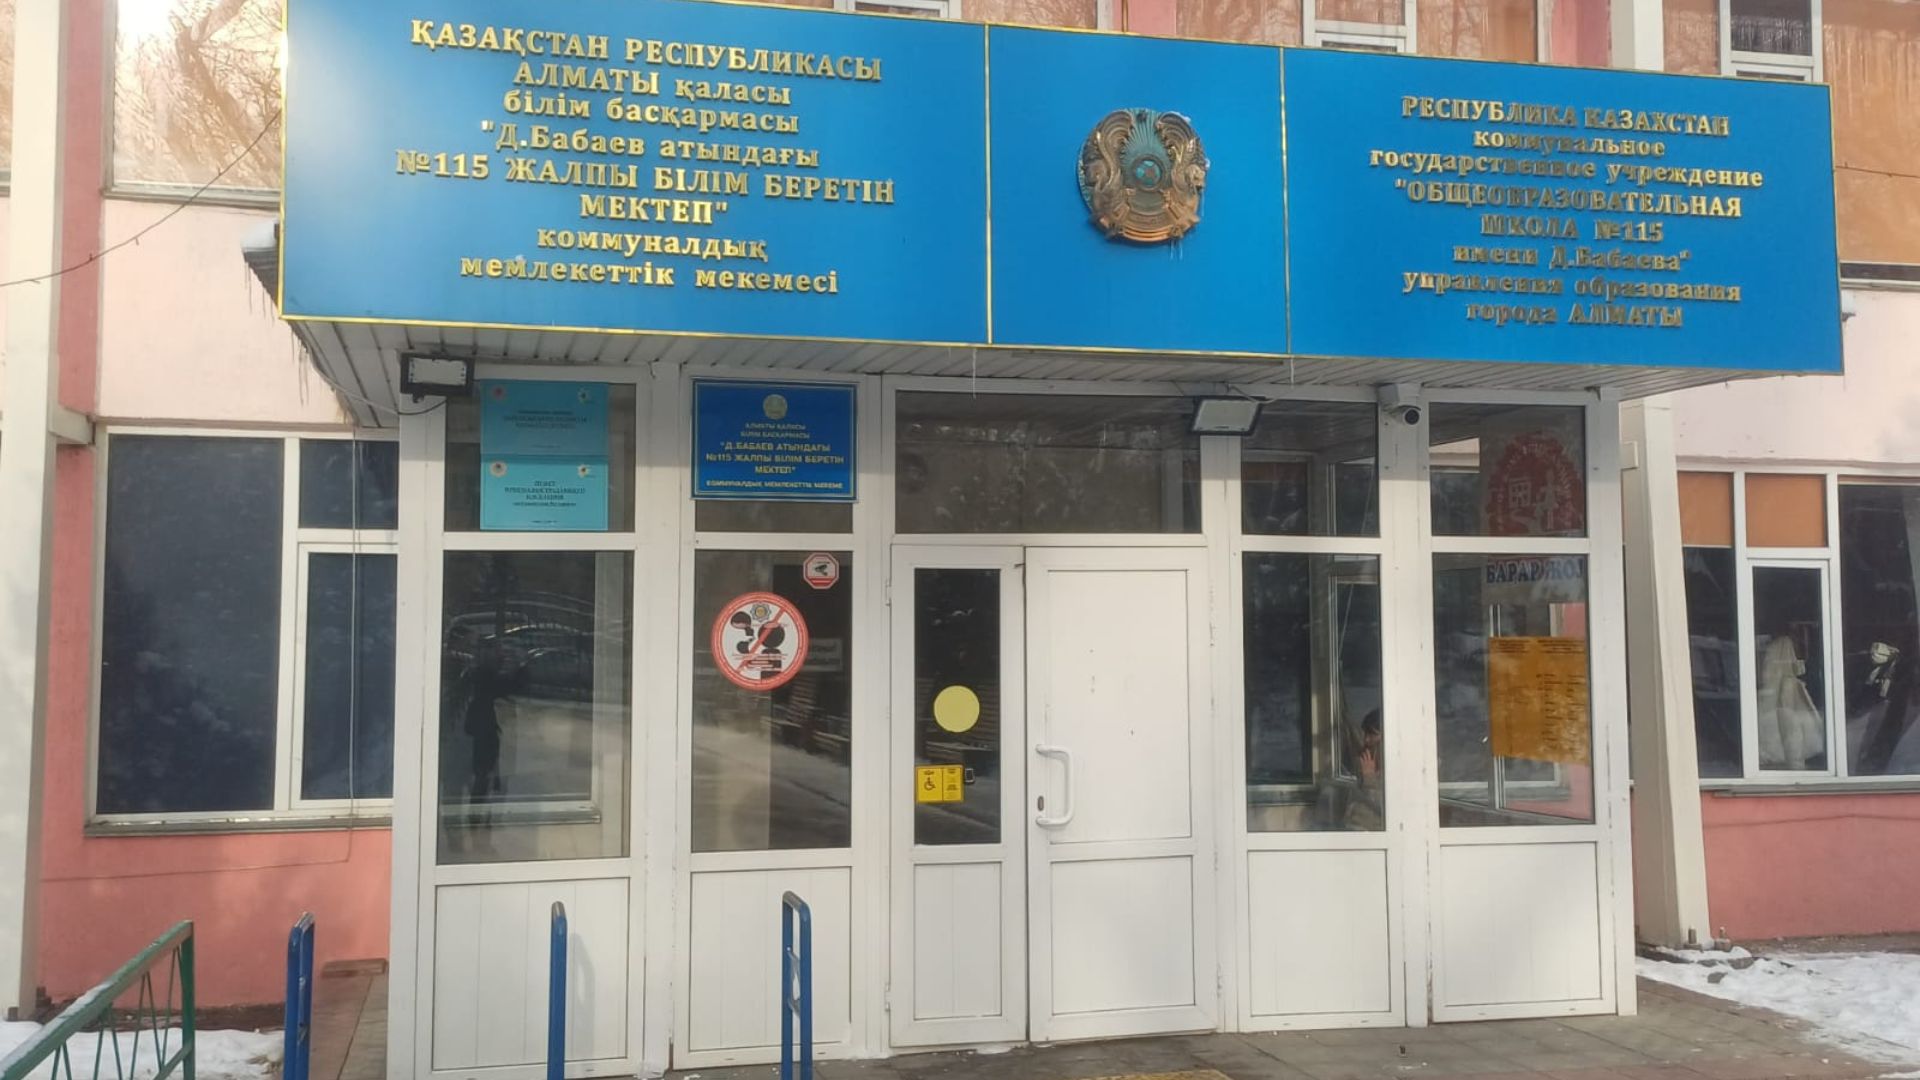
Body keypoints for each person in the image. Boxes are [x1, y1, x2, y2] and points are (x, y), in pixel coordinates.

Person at [1346, 710, 1384, 830]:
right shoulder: (1362, 766)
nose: (1367, 740)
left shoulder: (1397, 771)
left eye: (1372, 734)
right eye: (1366, 734)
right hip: (1353, 829)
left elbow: (1387, 807)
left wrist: (1369, 778)